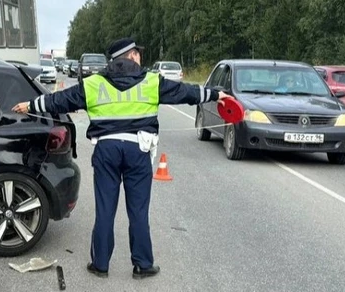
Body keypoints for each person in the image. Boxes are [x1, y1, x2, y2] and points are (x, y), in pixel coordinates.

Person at [12, 38, 231, 279]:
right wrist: (215, 95)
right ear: (132, 56)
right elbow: (185, 93)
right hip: (138, 150)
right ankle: (143, 265)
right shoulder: (151, 81)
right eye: (138, 54)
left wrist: (31, 104)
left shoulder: (94, 83)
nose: (141, 58)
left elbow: (61, 99)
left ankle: (101, 265)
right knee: (138, 210)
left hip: (106, 151)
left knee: (105, 209)